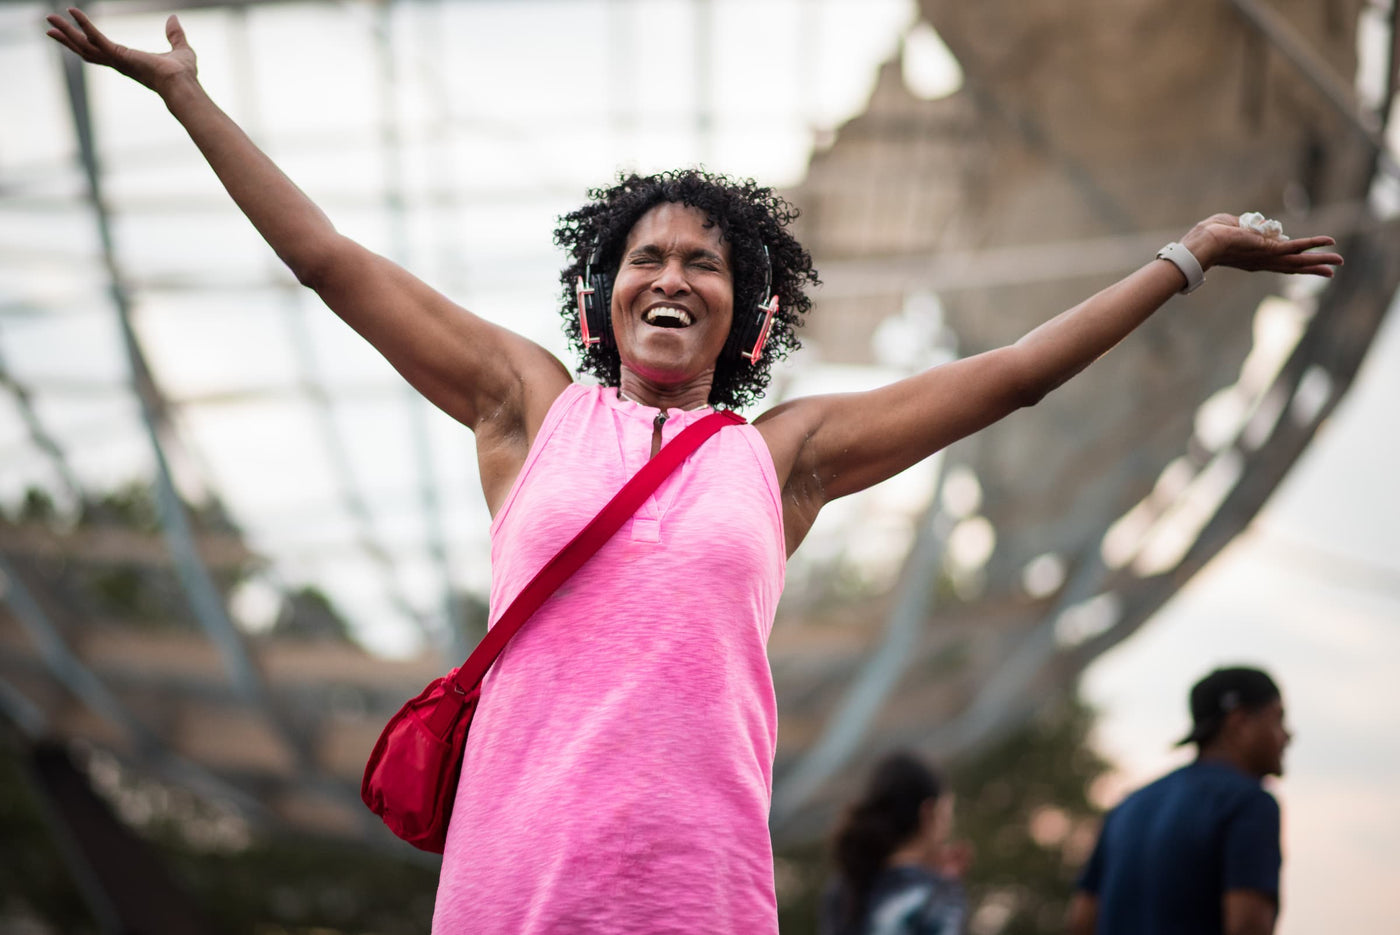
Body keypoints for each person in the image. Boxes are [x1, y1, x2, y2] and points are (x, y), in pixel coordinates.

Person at [45, 11, 1340, 934]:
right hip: (515, 881)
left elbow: (1013, 375)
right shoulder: (525, 408)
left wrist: (1185, 259)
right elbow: (331, 260)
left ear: (747, 314)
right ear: (603, 296)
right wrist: (186, 97)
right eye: (645, 257)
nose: (671, 273)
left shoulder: (786, 457)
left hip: (695, 887)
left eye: (706, 262)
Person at [1067, 666, 1293, 935]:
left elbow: (1081, 921)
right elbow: (1247, 927)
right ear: (1240, 722)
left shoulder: (1128, 806)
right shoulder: (1248, 803)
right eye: (1277, 718)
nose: (1288, 736)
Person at [822, 751, 970, 935]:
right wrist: (945, 885)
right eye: (946, 812)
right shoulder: (936, 894)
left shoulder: (843, 889)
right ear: (928, 813)